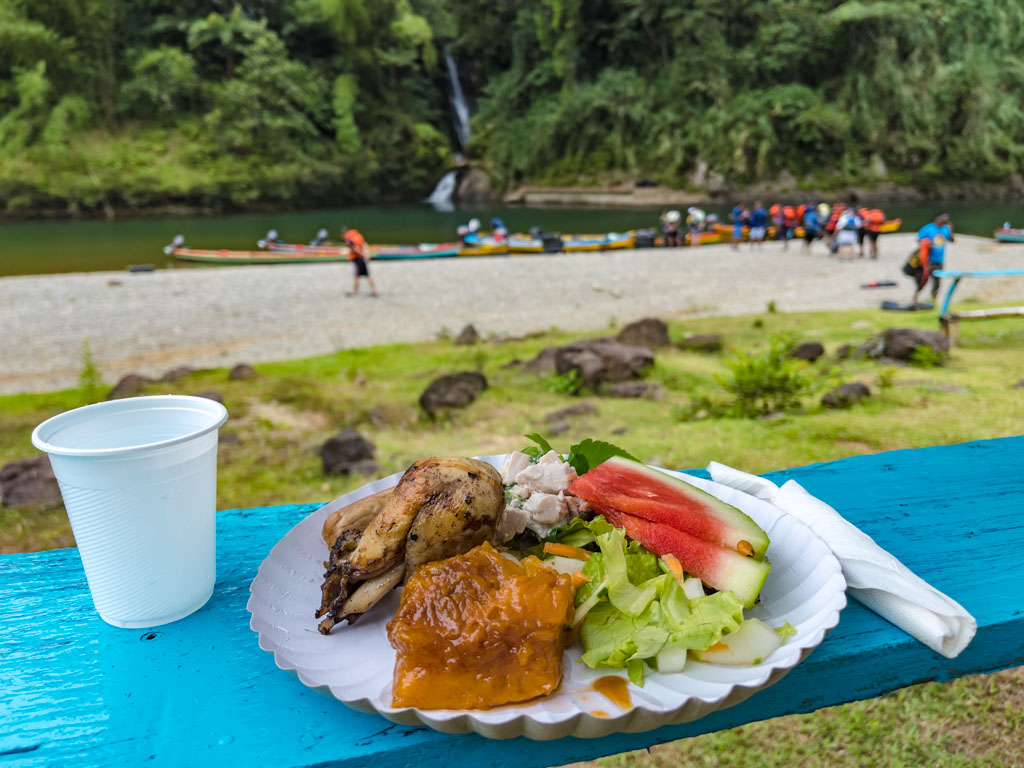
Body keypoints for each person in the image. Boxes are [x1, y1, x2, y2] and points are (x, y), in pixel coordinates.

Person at [910, 214, 955, 304]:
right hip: (928, 260)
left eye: (946, 220)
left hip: (939, 260)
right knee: (924, 280)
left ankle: (933, 299)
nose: (944, 221)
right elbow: (919, 239)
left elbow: (952, 240)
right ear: (938, 218)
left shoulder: (946, 229)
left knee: (937, 281)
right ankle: (915, 297)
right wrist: (928, 245)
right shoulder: (928, 228)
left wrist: (951, 230)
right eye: (943, 219)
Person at [341, 225, 378, 297]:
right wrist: (366, 254)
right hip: (362, 258)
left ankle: (355, 292)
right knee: (367, 275)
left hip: (358, 259)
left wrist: (362, 255)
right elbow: (365, 244)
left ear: (343, 233)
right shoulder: (357, 235)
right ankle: (374, 290)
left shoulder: (348, 238)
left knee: (356, 276)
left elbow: (354, 248)